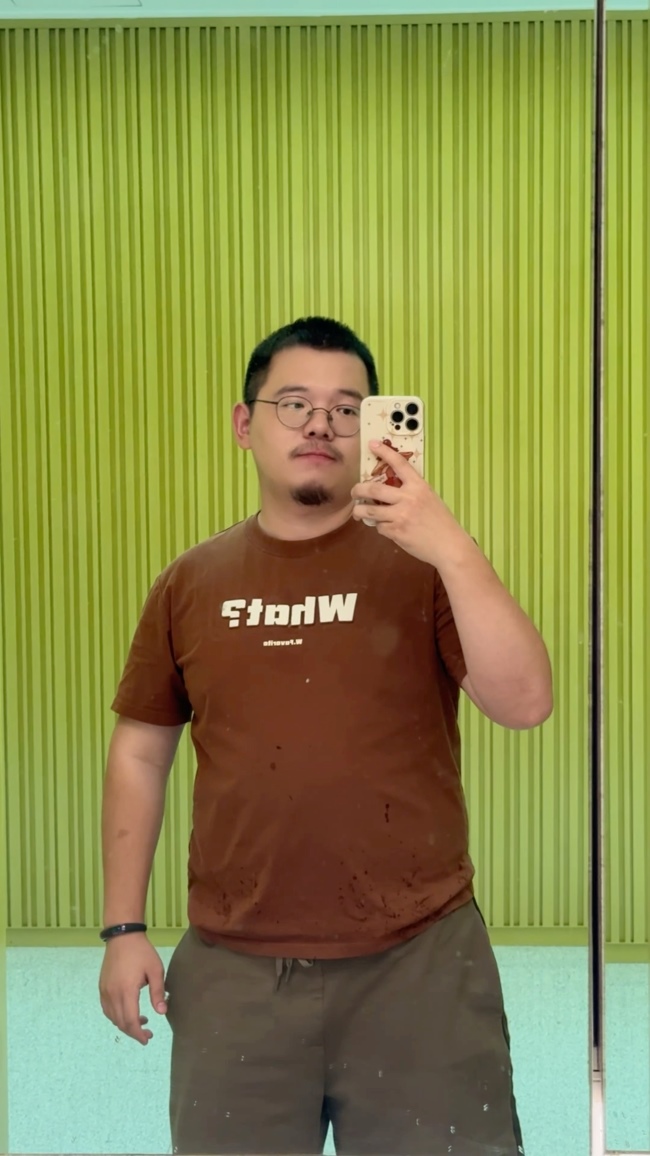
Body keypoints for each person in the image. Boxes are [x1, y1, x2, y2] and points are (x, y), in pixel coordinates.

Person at [99, 316, 552, 1156]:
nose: (320, 425)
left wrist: (450, 544)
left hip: (421, 964)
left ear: (372, 427)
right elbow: (140, 749)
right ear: (245, 424)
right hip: (235, 971)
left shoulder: (428, 566)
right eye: (295, 403)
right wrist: (123, 930)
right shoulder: (189, 582)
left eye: (347, 409)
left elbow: (525, 702)